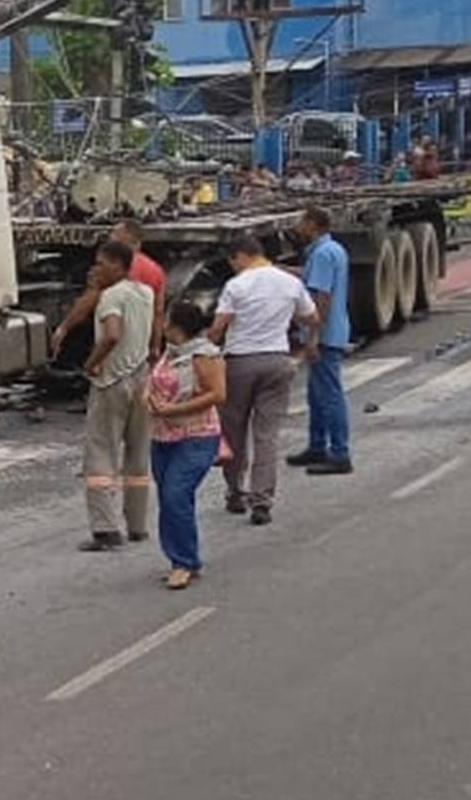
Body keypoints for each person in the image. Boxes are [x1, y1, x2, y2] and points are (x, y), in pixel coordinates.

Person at [209, 235, 318, 525]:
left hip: (240, 363)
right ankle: (262, 501)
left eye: (233, 262)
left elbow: (219, 326)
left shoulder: (237, 285)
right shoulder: (289, 282)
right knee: (266, 435)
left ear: (239, 256)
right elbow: (312, 317)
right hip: (277, 362)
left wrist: (205, 349)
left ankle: (235, 493)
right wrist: (308, 343)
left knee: (234, 432)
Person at [77, 240, 155, 552]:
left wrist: (91, 363)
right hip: (141, 378)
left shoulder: (111, 296)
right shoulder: (145, 292)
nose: (96, 269)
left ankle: (106, 529)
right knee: (137, 455)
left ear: (117, 266)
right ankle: (137, 525)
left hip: (112, 380)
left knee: (101, 452)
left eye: (101, 263)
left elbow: (111, 334)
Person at [146, 301, 229, 589]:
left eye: (167, 321)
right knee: (172, 500)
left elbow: (217, 394)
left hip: (196, 434)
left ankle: (184, 562)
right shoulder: (170, 353)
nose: (163, 326)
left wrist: (174, 410)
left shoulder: (204, 355)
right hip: (163, 435)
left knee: (175, 494)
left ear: (178, 325)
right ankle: (181, 557)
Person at [287, 207, 354, 476]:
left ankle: (339, 453)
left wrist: (313, 337)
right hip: (330, 330)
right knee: (316, 395)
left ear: (313, 224)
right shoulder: (328, 250)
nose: (298, 225)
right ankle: (317, 445)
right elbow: (309, 277)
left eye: (302, 220)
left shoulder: (324, 254)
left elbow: (321, 298)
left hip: (325, 335)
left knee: (329, 395)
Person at [51, 219, 166, 360]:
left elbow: (91, 301)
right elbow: (158, 312)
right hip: (138, 352)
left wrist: (64, 327)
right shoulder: (155, 270)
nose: (109, 239)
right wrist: (155, 347)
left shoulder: (112, 270)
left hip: (116, 354)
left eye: (114, 236)